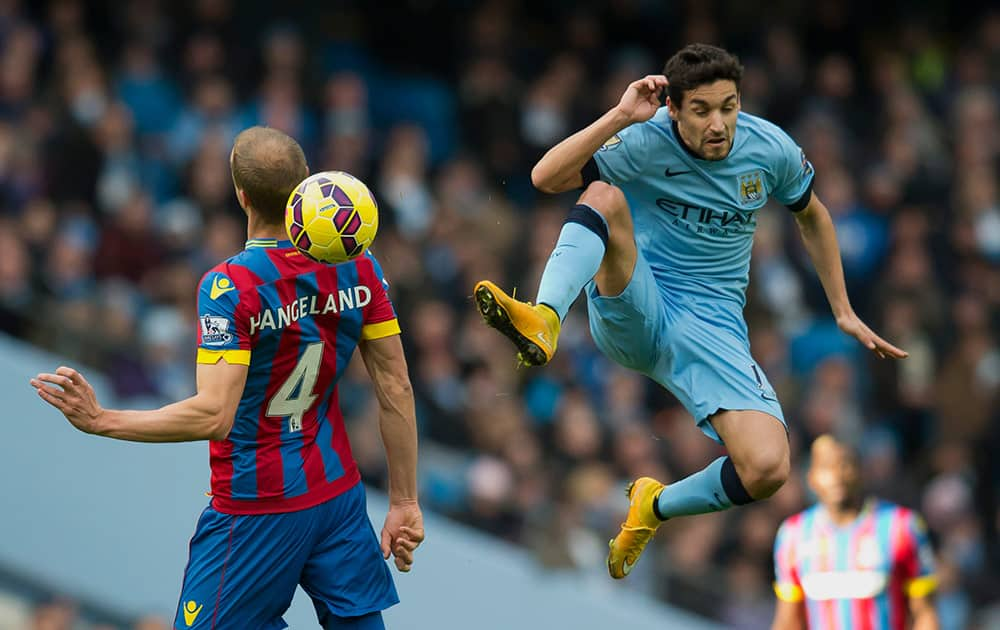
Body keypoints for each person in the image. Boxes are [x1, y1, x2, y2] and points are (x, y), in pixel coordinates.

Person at [472, 43, 907, 579]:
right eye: (702, 110)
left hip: (714, 326)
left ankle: (651, 507)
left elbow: (812, 217)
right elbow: (545, 177)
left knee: (769, 467)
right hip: (642, 299)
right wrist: (619, 114)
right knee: (604, 196)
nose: (719, 123)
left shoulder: (770, 149)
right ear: (673, 109)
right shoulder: (644, 138)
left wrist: (841, 309)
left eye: (729, 106)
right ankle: (545, 318)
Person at [30, 126, 423, 630]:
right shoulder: (357, 262)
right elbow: (395, 385)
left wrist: (104, 419)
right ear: (305, 184)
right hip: (336, 494)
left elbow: (215, 414)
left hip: (255, 505)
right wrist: (405, 499)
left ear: (240, 195)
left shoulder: (231, 284)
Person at [772, 435, 939, 630]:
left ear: (863, 471)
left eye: (845, 465)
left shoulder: (901, 526)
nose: (837, 475)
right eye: (826, 467)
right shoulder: (793, 535)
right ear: (811, 478)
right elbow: (788, 620)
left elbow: (924, 613)